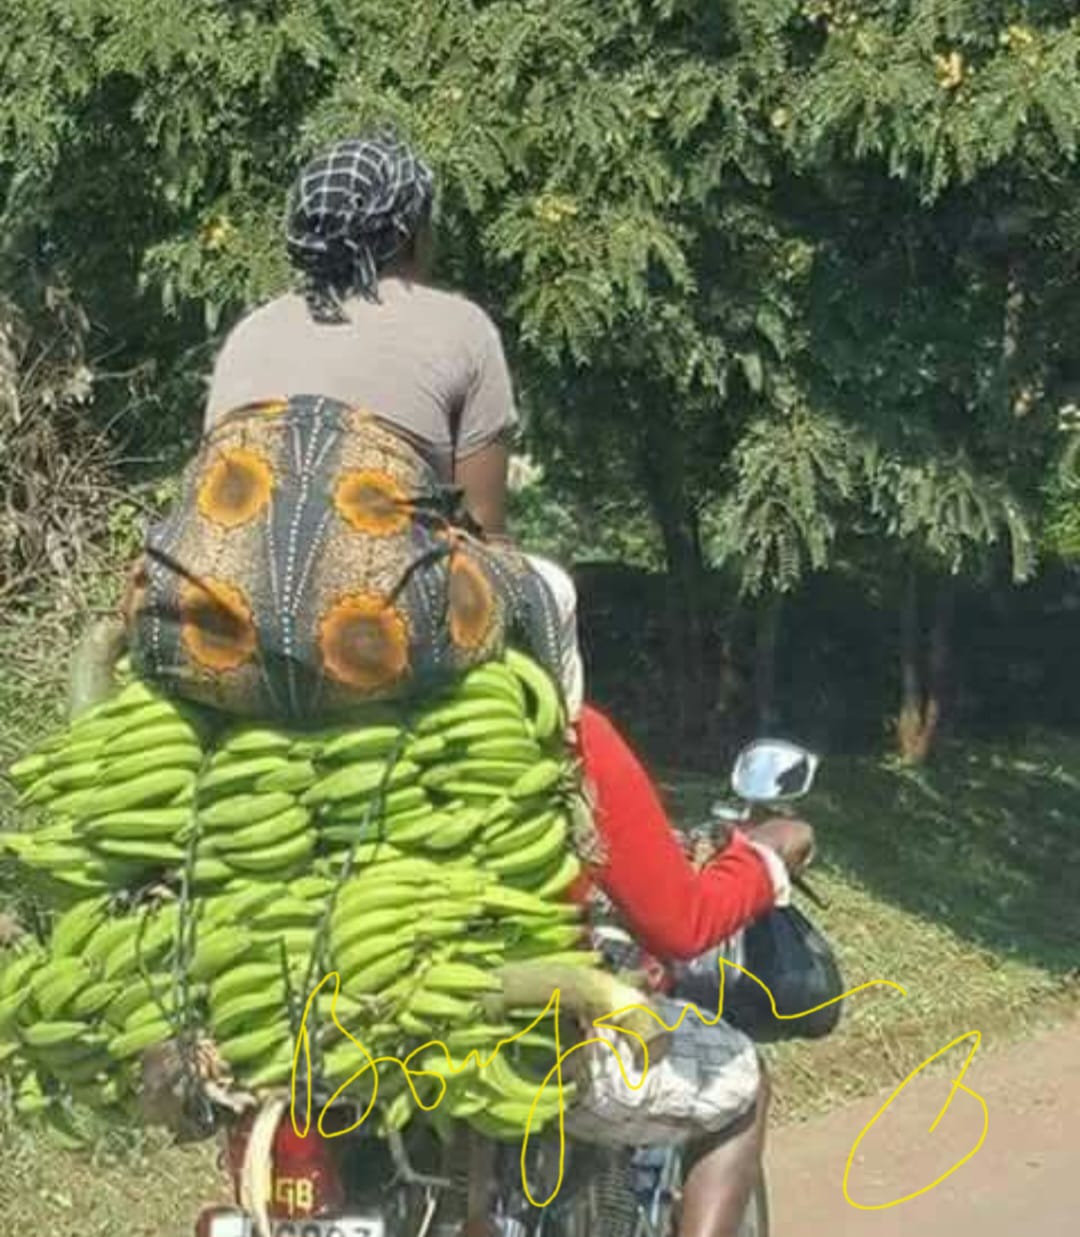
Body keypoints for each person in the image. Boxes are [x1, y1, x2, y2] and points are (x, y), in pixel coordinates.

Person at [170, 131, 814, 1237]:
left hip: (227, 639)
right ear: (412, 230)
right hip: (395, 610)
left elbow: (236, 511)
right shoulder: (536, 745)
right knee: (737, 1083)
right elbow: (484, 528)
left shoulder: (246, 337)